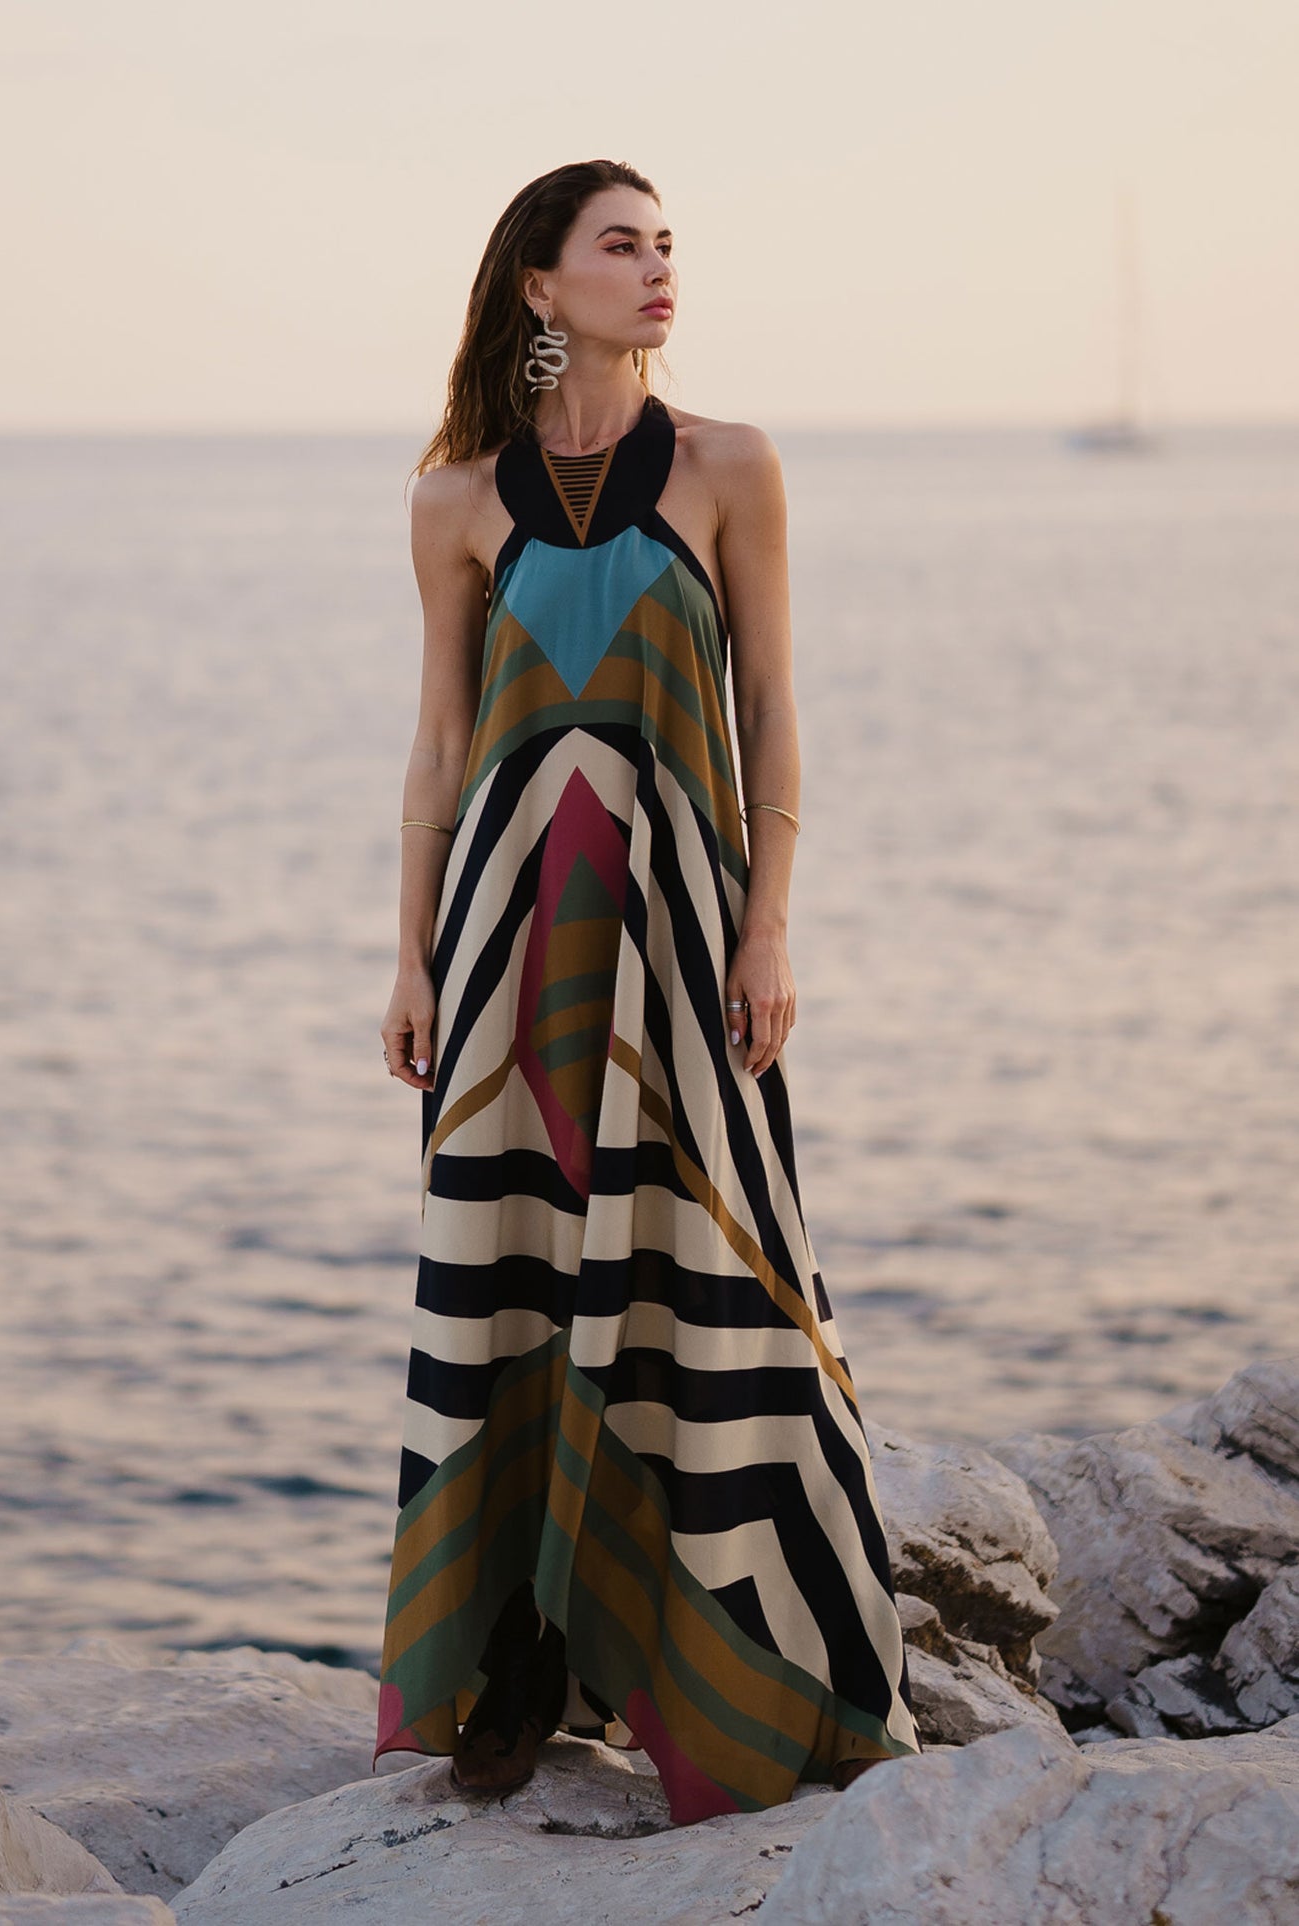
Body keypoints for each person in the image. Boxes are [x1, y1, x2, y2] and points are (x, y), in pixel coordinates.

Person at [371, 158, 922, 1825]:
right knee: (513, 1274)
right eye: (621, 245)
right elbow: (442, 749)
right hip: (511, 948)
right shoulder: (458, 499)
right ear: (542, 286)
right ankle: (523, 1652)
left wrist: (769, 927)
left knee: (714, 1270)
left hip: (682, 946)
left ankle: (735, 1659)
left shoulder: (732, 465)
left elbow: (770, 707)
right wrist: (407, 952)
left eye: (668, 244)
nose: (658, 268)